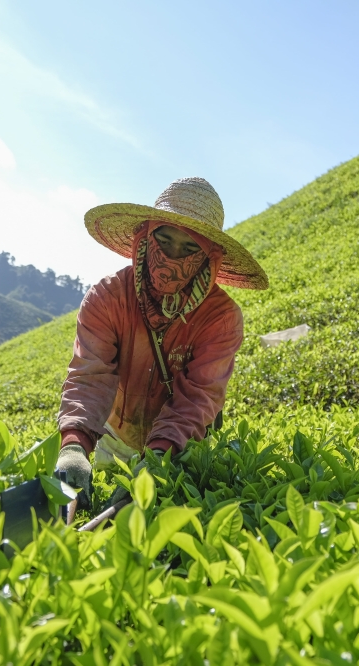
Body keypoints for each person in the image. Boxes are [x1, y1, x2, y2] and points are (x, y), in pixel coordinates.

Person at [55, 177, 268, 507]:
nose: (171, 256)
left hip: (183, 442)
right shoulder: (108, 298)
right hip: (117, 435)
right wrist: (74, 445)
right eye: (164, 240)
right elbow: (90, 376)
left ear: (207, 257)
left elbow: (198, 398)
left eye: (188, 248)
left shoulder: (220, 317)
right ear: (144, 237)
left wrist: (158, 458)